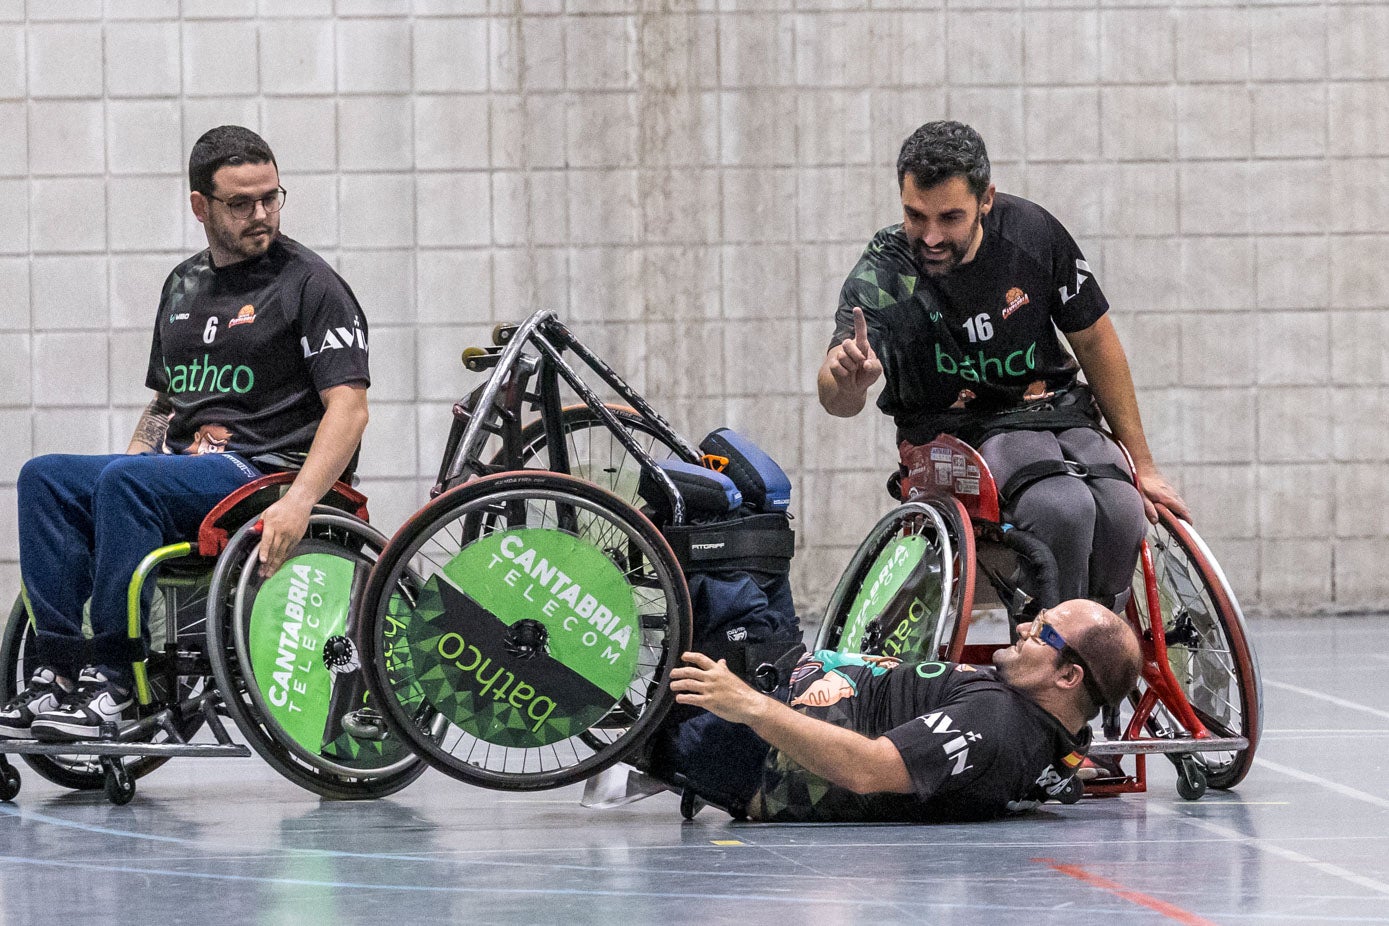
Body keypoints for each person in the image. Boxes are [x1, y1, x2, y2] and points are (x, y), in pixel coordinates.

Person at [0, 126, 370, 741]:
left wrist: (301, 500)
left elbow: (349, 408)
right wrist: (134, 460)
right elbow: (167, 401)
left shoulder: (311, 284)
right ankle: (58, 675)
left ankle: (119, 684)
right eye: (241, 203)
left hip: (265, 471)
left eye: (271, 198)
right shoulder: (183, 285)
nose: (261, 215)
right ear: (200, 206)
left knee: (129, 484)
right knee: (46, 477)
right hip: (188, 469)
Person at [818, 121, 1189, 611]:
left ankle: (1095, 655)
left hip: (1053, 411)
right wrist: (847, 379)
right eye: (914, 215)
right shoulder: (888, 269)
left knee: (1122, 508)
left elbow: (1096, 340)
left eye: (950, 217)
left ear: (985, 199)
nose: (930, 236)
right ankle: (1052, 661)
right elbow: (835, 398)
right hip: (954, 431)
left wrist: (1143, 463)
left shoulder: (1032, 233)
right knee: (1063, 508)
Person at [668, 598, 1142, 822]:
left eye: (1042, 632)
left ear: (1067, 677)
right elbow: (1064, 776)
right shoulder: (1058, 740)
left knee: (715, 520)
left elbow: (868, 770)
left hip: (764, 746)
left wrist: (749, 706)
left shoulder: (994, 725)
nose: (1020, 628)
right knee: (755, 509)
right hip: (786, 678)